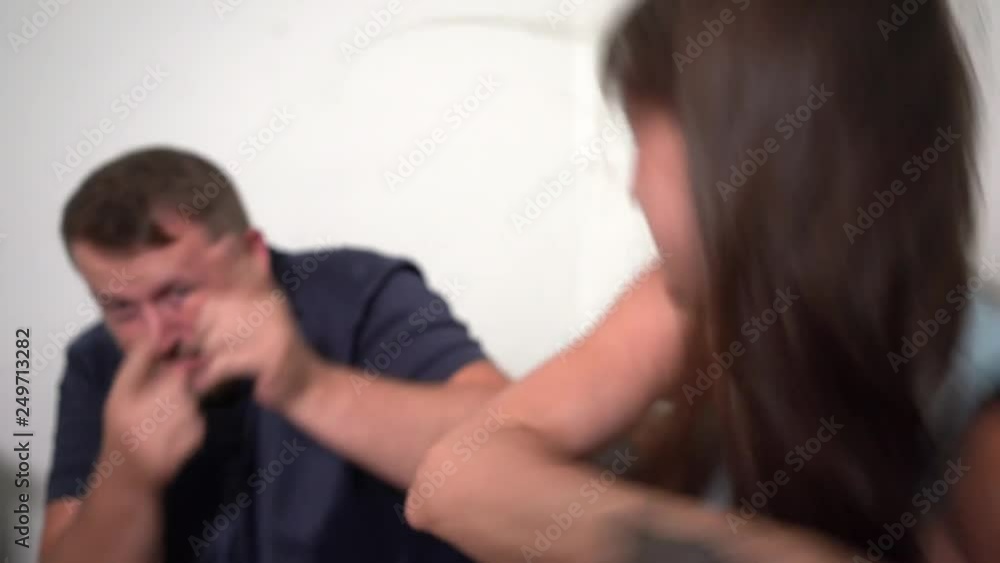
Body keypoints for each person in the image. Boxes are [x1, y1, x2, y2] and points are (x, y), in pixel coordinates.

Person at [405, 1, 1000, 562]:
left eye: (641, 138)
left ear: (745, 156)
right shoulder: (691, 304)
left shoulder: (976, 411)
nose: (634, 188)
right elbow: (453, 483)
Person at [40, 147, 508, 563]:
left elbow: (508, 442)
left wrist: (307, 387)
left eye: (178, 293)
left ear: (253, 253)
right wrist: (128, 478)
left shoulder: (355, 290)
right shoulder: (97, 362)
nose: (158, 337)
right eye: (122, 309)